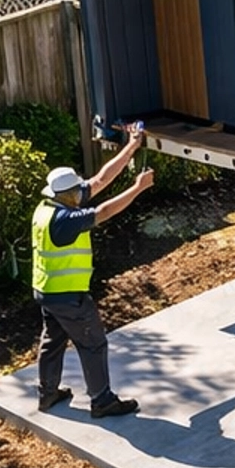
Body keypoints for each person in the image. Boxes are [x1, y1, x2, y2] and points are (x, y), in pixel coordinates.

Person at [32, 126, 155, 417]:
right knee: (93, 344)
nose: (83, 191)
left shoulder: (47, 207)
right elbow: (105, 211)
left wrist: (132, 146)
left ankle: (47, 394)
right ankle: (102, 401)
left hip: (46, 291)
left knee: (52, 343)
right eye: (78, 190)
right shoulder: (65, 219)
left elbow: (101, 180)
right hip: (68, 297)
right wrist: (138, 188)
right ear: (69, 195)